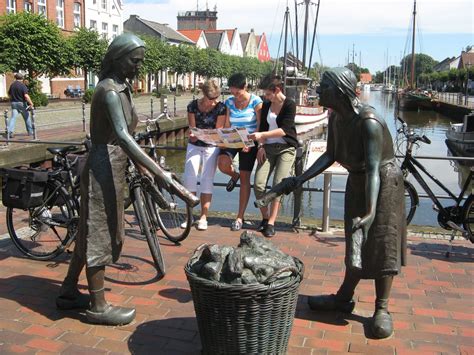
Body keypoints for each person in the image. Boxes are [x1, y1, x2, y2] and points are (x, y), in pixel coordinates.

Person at [55, 33, 199, 326]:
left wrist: (145, 168)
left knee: (87, 231)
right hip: (101, 166)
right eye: (135, 60)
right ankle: (97, 306)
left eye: (140, 61)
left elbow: (128, 136)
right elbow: (122, 137)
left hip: (113, 164)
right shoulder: (108, 91)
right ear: (117, 59)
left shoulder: (122, 88)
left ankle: (69, 291)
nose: (138, 66)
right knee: (100, 233)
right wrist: (162, 174)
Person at [258, 67, 406, 339]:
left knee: (381, 242)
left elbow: (374, 168)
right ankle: (343, 297)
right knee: (356, 243)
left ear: (338, 91)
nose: (318, 91)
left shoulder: (368, 121)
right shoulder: (337, 118)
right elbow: (330, 155)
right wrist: (299, 179)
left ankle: (381, 308)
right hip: (358, 180)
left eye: (323, 87)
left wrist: (372, 211)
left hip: (383, 183)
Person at [249, 75, 297, 238]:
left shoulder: (289, 104)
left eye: (268, 94)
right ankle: (265, 217)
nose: (265, 97)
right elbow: (262, 126)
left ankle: (271, 222)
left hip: (286, 148)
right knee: (259, 184)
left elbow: (285, 129)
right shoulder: (267, 105)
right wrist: (261, 145)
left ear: (277, 90)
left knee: (278, 185)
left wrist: (262, 134)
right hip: (268, 147)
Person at [217, 73, 263, 231]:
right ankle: (233, 174)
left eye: (238, 93)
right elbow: (228, 123)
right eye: (232, 92)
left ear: (245, 87)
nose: (235, 96)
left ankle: (239, 217)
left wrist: (251, 142)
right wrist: (223, 137)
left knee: (245, 178)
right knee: (222, 164)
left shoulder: (256, 101)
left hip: (249, 140)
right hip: (234, 138)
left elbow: (259, 125)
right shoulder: (229, 102)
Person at [183, 79, 226, 230]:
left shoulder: (221, 108)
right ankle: (189, 216)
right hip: (194, 145)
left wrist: (210, 135)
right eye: (211, 98)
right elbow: (192, 127)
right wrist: (193, 133)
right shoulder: (193, 106)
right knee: (190, 177)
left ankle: (203, 217)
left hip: (211, 146)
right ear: (204, 94)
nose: (214, 102)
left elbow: (218, 130)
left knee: (207, 179)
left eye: (216, 98)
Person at [7, 73, 34, 138]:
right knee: (27, 117)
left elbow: (9, 94)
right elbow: (26, 96)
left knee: (13, 118)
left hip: (14, 103)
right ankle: (30, 132)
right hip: (21, 103)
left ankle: (10, 132)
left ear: (15, 78)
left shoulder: (12, 85)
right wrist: (31, 103)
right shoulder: (22, 85)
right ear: (22, 78)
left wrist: (12, 99)